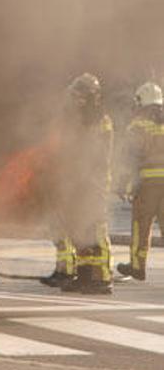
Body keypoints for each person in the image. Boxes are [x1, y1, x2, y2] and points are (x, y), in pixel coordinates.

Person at [42, 73, 114, 294]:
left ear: (92, 96)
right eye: (75, 96)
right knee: (79, 230)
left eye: (81, 95)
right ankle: (83, 276)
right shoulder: (75, 120)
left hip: (94, 183)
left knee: (96, 231)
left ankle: (101, 279)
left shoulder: (101, 120)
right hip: (76, 182)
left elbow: (98, 153)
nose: (77, 100)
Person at [116, 81, 164, 281]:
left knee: (141, 226)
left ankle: (137, 266)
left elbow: (130, 158)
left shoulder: (137, 126)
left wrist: (123, 185)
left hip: (147, 186)